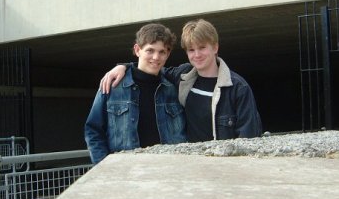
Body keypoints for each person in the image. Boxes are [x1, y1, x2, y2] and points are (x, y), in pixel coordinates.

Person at [101, 18, 262, 142]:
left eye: (202, 47)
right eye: (191, 50)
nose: (197, 55)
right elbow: (150, 67)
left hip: (224, 171)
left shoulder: (237, 87)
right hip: (190, 168)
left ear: (215, 47)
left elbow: (249, 137)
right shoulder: (183, 75)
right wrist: (125, 67)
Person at [85, 23, 187, 164]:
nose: (156, 57)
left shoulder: (172, 88)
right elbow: (93, 131)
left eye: (162, 52)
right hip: (126, 172)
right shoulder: (112, 85)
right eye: (150, 50)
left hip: (167, 169)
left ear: (168, 54)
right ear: (137, 50)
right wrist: (104, 167)